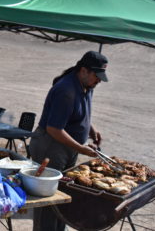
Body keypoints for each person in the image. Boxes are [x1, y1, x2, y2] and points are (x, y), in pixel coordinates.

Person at [29, 51, 109, 231]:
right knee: (48, 199)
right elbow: (53, 128)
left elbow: (79, 114)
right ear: (83, 71)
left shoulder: (87, 86)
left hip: (67, 148)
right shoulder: (66, 90)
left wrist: (91, 128)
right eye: (97, 76)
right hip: (50, 148)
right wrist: (81, 148)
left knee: (63, 195)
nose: (99, 81)